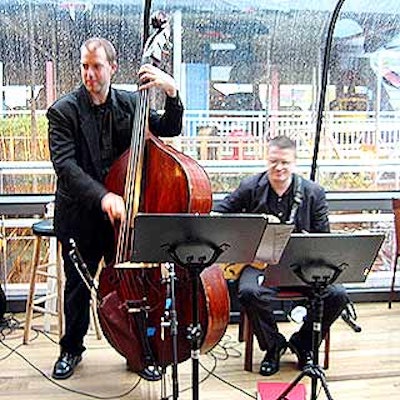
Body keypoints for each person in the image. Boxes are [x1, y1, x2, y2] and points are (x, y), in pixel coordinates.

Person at [47, 38, 184, 381]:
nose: (89, 73)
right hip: (81, 215)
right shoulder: (63, 111)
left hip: (123, 219)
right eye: (85, 66)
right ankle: (71, 349)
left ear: (112, 67)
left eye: (96, 66)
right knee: (78, 287)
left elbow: (170, 127)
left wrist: (171, 92)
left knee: (131, 285)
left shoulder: (131, 104)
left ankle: (139, 350)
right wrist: (103, 196)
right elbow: (66, 167)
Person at [213, 135, 349, 376]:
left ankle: (303, 344)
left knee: (337, 295)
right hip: (260, 263)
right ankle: (273, 346)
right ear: (267, 160)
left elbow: (323, 238)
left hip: (303, 266)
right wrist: (245, 235)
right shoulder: (250, 187)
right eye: (274, 161)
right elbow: (220, 215)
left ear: (294, 163)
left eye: (285, 162)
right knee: (249, 292)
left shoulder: (313, 193)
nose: (279, 168)